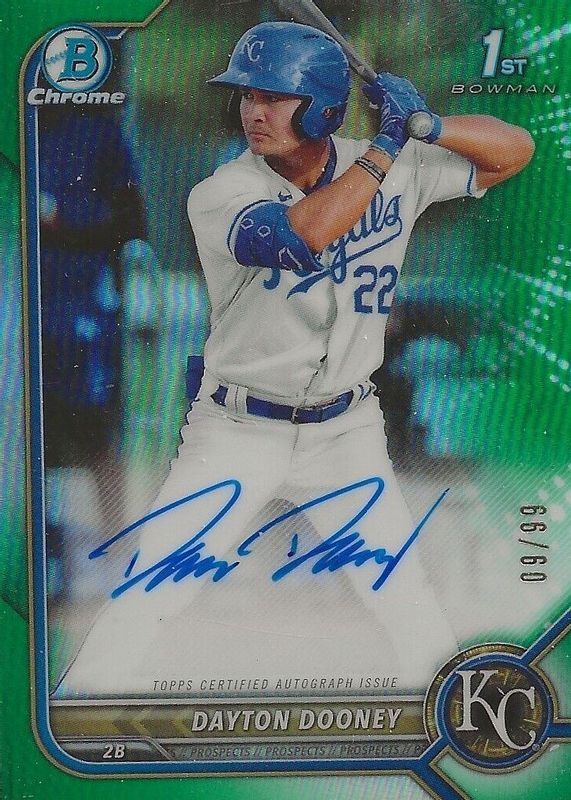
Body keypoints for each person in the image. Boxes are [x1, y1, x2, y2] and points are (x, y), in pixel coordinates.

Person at [58, 22, 533, 695]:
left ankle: (456, 724)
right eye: (248, 96)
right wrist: (386, 149)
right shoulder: (222, 191)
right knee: (152, 589)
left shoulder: (395, 164)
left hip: (345, 432)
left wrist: (429, 125)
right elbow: (301, 237)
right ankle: (78, 716)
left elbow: (515, 151)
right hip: (238, 430)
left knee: (405, 595)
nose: (254, 112)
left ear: (323, 107)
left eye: (275, 97)